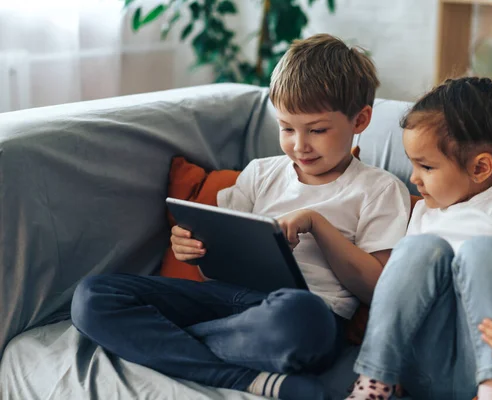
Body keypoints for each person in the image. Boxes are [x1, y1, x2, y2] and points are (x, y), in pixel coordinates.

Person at [70, 34, 411, 400]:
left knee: (300, 316)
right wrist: (194, 249)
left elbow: (376, 288)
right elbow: (216, 265)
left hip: (302, 316)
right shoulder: (259, 173)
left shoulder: (379, 189)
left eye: (317, 130)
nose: (300, 145)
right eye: (287, 128)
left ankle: (162, 343)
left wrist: (317, 224)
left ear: (360, 120)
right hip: (224, 301)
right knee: (92, 297)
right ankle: (243, 378)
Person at [346, 77, 492, 400]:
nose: (413, 177)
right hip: (426, 366)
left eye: (426, 166)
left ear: (480, 167)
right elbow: (401, 287)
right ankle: (373, 383)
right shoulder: (423, 213)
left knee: (485, 251)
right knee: (419, 249)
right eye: (412, 164)